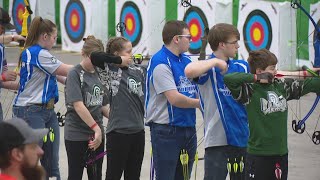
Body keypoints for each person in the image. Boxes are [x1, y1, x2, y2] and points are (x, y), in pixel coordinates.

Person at [223, 49, 320, 180]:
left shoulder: (281, 87)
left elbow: (312, 84)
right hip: (258, 155)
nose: (275, 71)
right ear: (259, 71)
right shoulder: (249, 90)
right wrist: (256, 78)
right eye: (272, 68)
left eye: (276, 68)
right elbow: (229, 79)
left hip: (280, 154)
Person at [184, 23, 249, 180]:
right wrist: (215, 62)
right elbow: (189, 71)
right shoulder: (207, 69)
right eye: (234, 43)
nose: (238, 46)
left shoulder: (242, 66)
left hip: (241, 138)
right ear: (222, 45)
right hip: (216, 141)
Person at [12, 16, 73, 180]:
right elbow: (67, 70)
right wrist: (92, 64)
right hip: (31, 111)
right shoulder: (38, 53)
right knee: (29, 162)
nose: (55, 41)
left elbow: (62, 77)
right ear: (45, 36)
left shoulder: (38, 54)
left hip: (46, 111)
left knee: (52, 163)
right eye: (54, 37)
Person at [144, 20, 200, 180]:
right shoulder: (160, 62)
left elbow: (197, 90)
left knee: (183, 177)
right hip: (166, 132)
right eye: (188, 37)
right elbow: (174, 99)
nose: (191, 40)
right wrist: (200, 104)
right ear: (176, 39)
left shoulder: (186, 62)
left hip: (188, 128)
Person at [91, 36, 145, 180]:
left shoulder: (137, 70)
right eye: (128, 52)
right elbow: (95, 56)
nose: (131, 55)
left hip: (138, 131)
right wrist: (119, 61)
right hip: (118, 133)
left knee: (133, 176)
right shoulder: (109, 69)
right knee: (113, 175)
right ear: (116, 54)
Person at [64, 35, 109, 180]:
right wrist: (96, 128)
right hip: (76, 135)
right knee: (75, 175)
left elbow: (103, 104)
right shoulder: (75, 73)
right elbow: (78, 105)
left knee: (96, 176)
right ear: (84, 54)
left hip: (97, 136)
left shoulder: (99, 74)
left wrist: (118, 119)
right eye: (93, 58)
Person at [0, 7, 26, 121]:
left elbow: (2, 82)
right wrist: (2, 76)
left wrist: (22, 87)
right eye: (2, 28)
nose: (3, 31)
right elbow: (2, 77)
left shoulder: (1, 47)